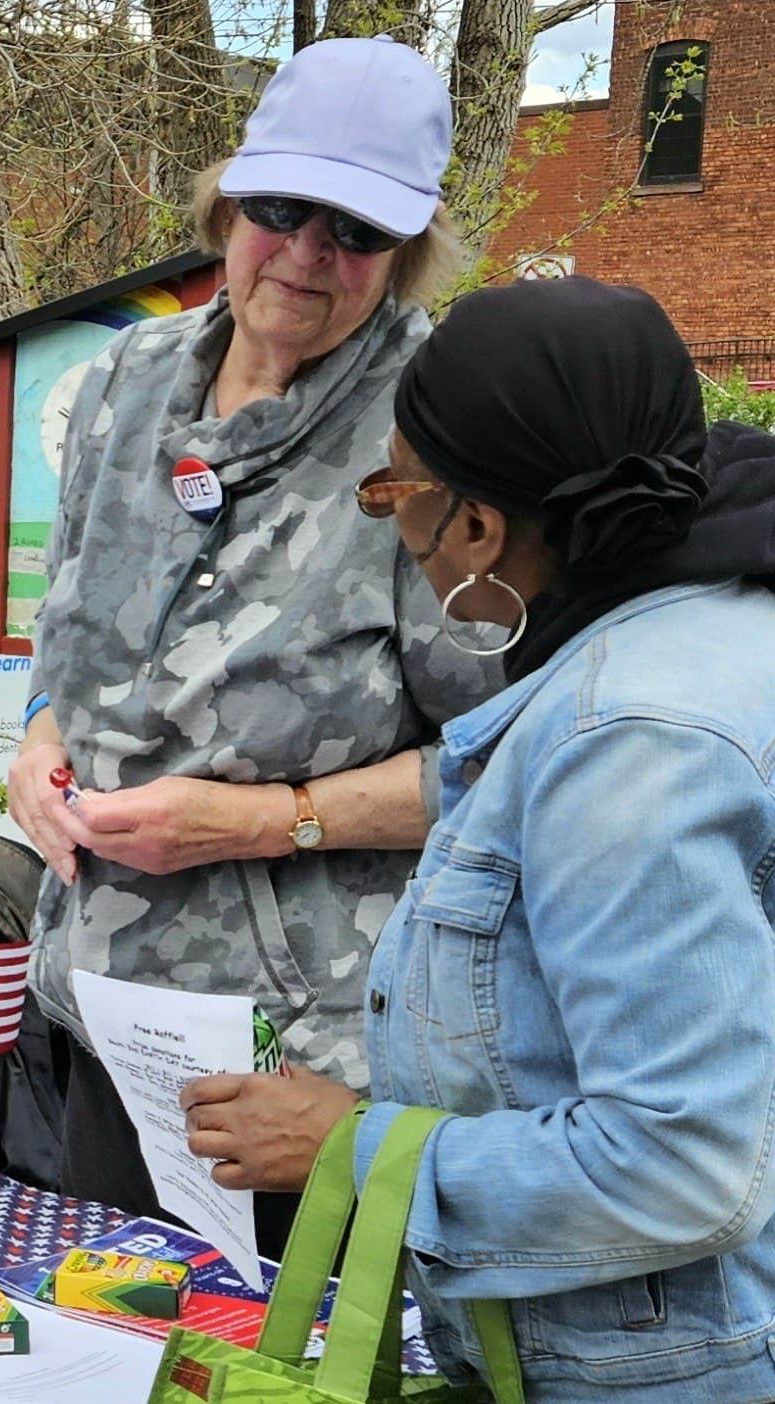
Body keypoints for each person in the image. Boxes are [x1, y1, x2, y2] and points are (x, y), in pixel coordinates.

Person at [186, 274, 775, 1399]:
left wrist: (351, 1150)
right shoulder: (716, 619)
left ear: (473, 526)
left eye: (391, 492)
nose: (395, 528)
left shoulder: (630, 743)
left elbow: (685, 1163)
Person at [7, 34, 500, 1251]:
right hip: (93, 1009)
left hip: (298, 1060)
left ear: (406, 251)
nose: (307, 253)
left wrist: (268, 819)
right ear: (227, 203)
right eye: (280, 209)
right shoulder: (130, 379)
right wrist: (37, 740)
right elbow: (70, 640)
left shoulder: (443, 441)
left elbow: (507, 764)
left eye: (356, 230)